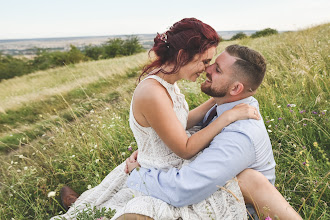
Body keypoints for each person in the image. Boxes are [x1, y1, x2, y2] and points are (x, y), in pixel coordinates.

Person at [53, 18, 261, 220]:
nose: (207, 68)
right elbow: (185, 148)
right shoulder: (153, 92)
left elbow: (179, 122)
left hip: (169, 166)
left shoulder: (168, 82)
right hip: (157, 172)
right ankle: (80, 206)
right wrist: (228, 117)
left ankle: (81, 203)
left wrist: (221, 99)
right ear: (182, 55)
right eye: (205, 61)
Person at [124, 44, 303, 220]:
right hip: (211, 184)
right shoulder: (230, 103)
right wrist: (155, 147)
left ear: (235, 89)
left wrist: (138, 174)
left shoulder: (239, 135)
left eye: (217, 69)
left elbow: (184, 189)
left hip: (236, 207)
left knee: (137, 213)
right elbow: (186, 127)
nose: (207, 68)